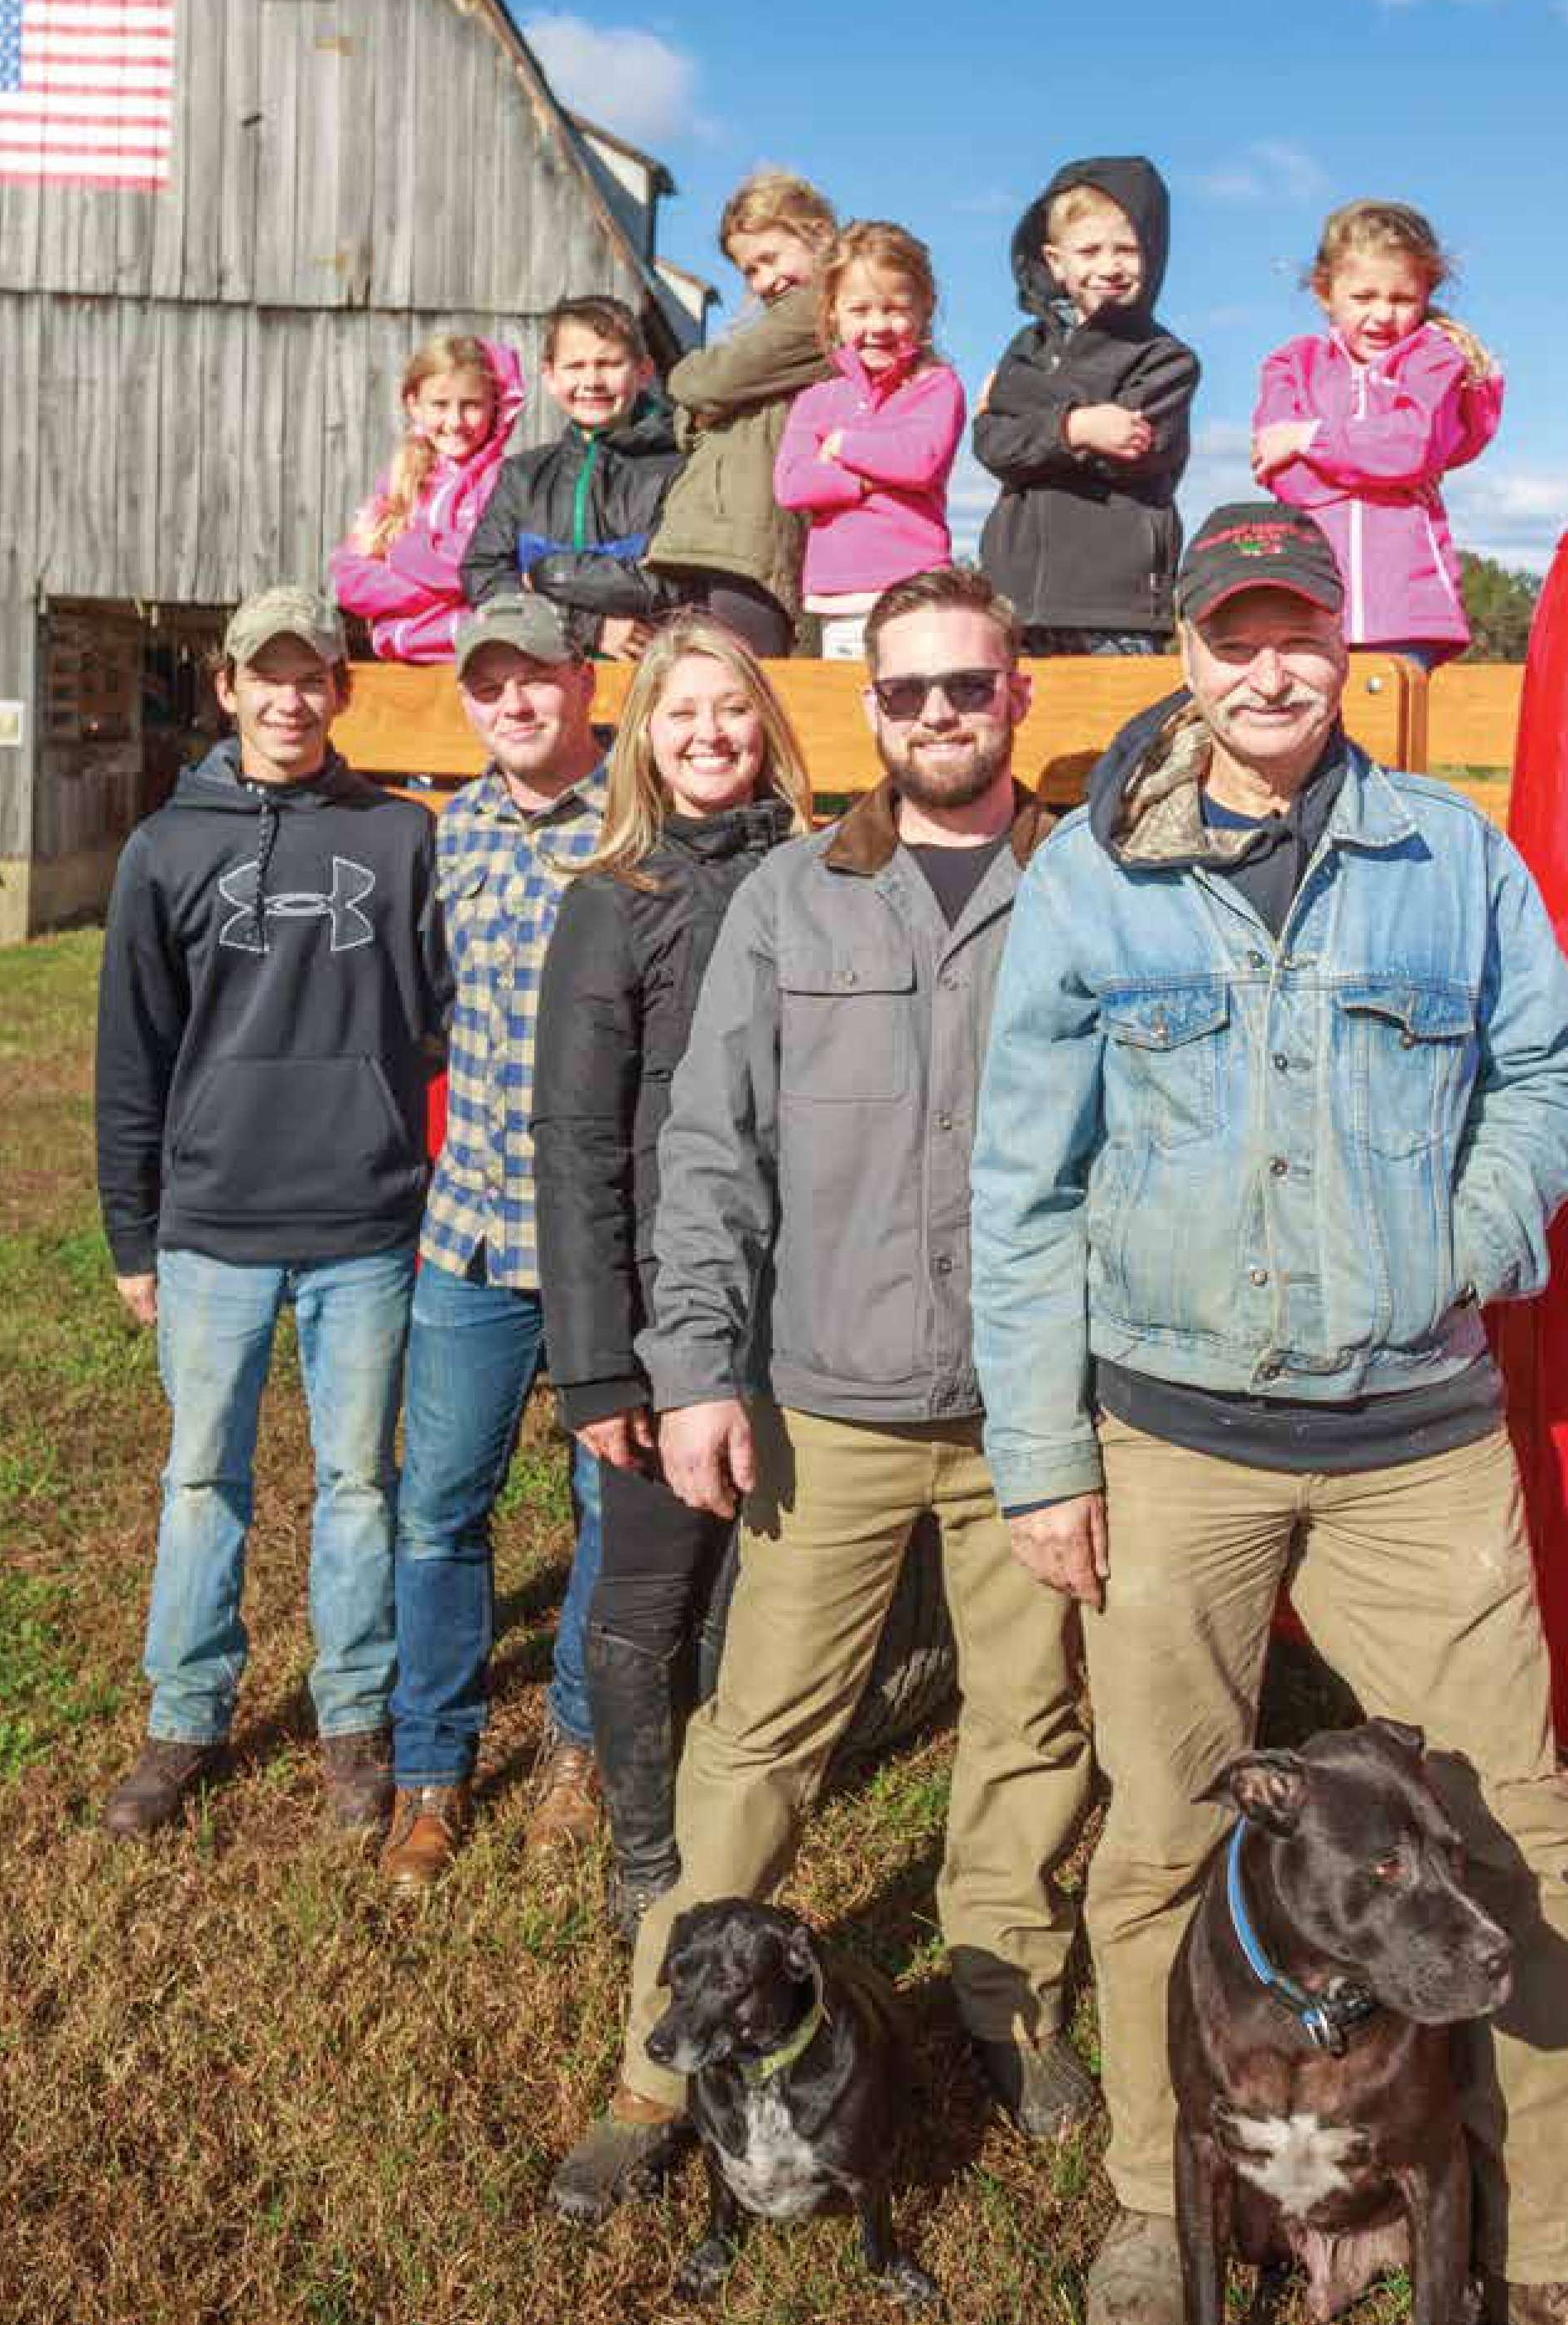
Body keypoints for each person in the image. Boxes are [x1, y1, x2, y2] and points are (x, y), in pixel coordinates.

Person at [970, 504, 1568, 2325]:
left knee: (1519, 1832)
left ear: (1347, 647)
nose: (1268, 669)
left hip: (1412, 1441)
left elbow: (1550, 1065)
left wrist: (1467, 1238)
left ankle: (1554, 2245)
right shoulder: (1092, 877)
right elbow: (1022, 1181)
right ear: (1183, 655)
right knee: (1154, 1839)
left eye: (1297, 633)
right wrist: (1041, 1455)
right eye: (1232, 634)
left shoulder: (1446, 853)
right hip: (1172, 1440)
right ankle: (1155, 2193)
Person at [548, 563, 1097, 2221]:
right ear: (870, 709)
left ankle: (1006, 1997)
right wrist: (694, 1366)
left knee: (1030, 1722)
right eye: (907, 688)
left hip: (1030, 1409)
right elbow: (709, 1147)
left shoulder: (1085, 885)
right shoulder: (793, 896)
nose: (938, 713)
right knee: (759, 1737)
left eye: (967, 685)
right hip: (830, 1403)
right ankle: (656, 2071)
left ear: (1014, 696)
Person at [94, 585, 449, 1843]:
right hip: (213, 1226)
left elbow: (443, 1021)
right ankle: (184, 1716)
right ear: (228, 688)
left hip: (364, 1221)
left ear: (341, 692)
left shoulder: (400, 837)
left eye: (313, 677)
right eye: (267, 675)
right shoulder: (164, 848)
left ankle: (352, 1719)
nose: (290, 699)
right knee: (203, 1478)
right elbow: (131, 1054)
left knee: (359, 1484)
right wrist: (132, 1230)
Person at [529, 619, 809, 1933]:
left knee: (760, 1590)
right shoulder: (613, 900)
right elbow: (576, 1139)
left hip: (803, 1298)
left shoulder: (823, 872)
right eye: (680, 712)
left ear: (769, 726)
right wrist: (597, 1364)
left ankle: (726, 1815)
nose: (709, 734)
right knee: (648, 1590)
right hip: (660, 1304)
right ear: (642, 735)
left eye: (731, 709)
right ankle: (645, 1857)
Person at [379, 591, 615, 1888]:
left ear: (583, 683)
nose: (514, 702)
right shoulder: (448, 835)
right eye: (489, 683)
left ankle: (577, 1745)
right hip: (471, 1232)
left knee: (607, 1510)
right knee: (438, 1509)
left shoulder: (636, 820)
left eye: (536, 677)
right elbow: (418, 1010)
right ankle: (433, 1765)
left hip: (600, 1249)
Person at [528, 169, 838, 657]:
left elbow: (698, 382)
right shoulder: (790, 318)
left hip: (745, 539)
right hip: (723, 538)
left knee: (738, 675)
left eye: (770, 258)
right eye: (750, 271)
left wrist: (704, 391)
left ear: (816, 235)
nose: (765, 281)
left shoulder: (817, 310)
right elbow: (692, 414)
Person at [1251, 197, 1503, 670]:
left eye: (1402, 299)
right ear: (1325, 292)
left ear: (1427, 294)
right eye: (1364, 297)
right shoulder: (1292, 364)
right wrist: (1382, 468)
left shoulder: (1435, 359)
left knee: (1395, 718)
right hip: (1313, 605)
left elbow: (1411, 447)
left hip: (1409, 611)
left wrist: (1309, 439)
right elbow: (1284, 475)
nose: (1383, 315)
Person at [973, 155, 1198, 657]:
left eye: (1127, 250)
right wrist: (1075, 428)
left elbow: (1131, 449)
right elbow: (991, 445)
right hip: (1015, 602)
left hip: (1117, 608)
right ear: (1056, 262)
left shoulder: (1166, 359)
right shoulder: (1027, 348)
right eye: (1090, 251)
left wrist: (1021, 404)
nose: (1109, 267)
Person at [773, 219, 964, 658]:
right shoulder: (816, 399)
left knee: (913, 690)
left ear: (925, 308)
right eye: (859, 311)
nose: (877, 326)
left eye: (895, 309)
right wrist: (861, 482)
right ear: (833, 313)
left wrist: (843, 445)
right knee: (850, 699)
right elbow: (792, 485)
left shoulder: (937, 385)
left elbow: (920, 460)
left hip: (917, 586)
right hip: (839, 593)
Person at [459, 297, 680, 653]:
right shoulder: (523, 476)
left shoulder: (677, 471)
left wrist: (547, 573)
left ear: (643, 371)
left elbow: (669, 585)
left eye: (609, 364)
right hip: (538, 669)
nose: (591, 381)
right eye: (575, 366)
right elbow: (483, 575)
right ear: (550, 376)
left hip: (642, 665)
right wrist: (586, 629)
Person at [329, 335, 525, 662]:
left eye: (471, 405)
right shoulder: (399, 478)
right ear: (413, 404)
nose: (455, 422)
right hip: (400, 666)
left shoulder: (507, 482)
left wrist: (401, 552)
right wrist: (443, 592)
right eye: (440, 405)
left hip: (481, 662)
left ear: (497, 406)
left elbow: (481, 567)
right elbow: (349, 578)